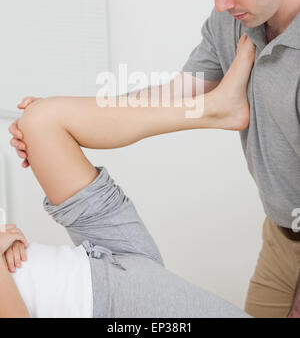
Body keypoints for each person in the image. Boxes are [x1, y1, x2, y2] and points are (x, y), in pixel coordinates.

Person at [2, 35, 255, 318]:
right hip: (105, 300)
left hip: (94, 247)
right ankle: (220, 109)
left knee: (39, 120)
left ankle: (215, 108)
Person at [177, 0, 300, 318]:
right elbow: (181, 92)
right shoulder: (233, 19)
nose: (221, 5)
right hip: (281, 236)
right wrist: (71, 109)